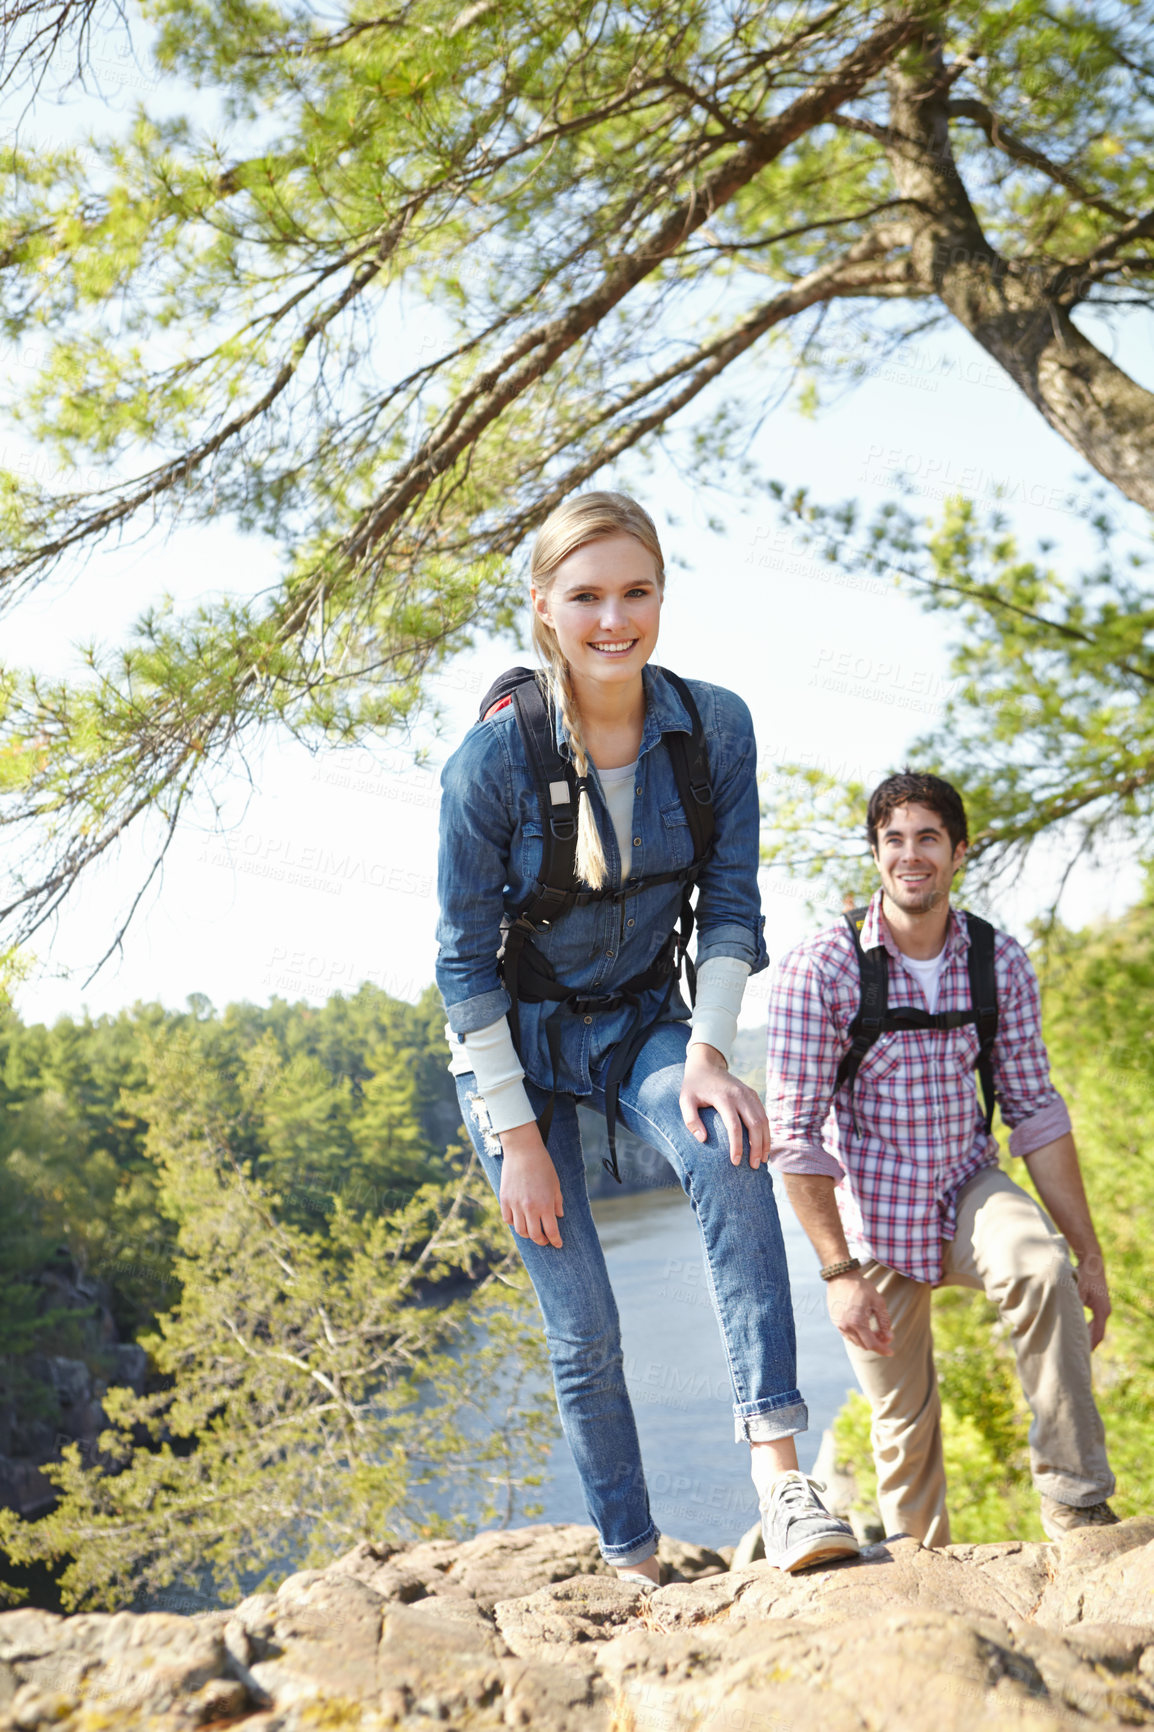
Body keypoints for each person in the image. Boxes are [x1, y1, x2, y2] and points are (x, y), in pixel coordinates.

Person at [435, 491, 859, 1578]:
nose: (612, 619)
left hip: (642, 1026)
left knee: (727, 1151)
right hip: (515, 1052)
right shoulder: (489, 764)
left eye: (635, 591)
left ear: (662, 595)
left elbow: (729, 908)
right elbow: (459, 962)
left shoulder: (714, 726)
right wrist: (517, 1136)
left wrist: (710, 1051)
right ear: (542, 607)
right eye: (585, 596)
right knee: (581, 1326)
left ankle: (781, 1474)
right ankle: (630, 1555)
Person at [765, 770, 1117, 1547]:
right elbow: (795, 1135)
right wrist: (838, 1274)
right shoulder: (822, 968)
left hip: (969, 1188)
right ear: (876, 855)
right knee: (902, 1429)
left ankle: (1076, 1500)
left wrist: (1088, 1254)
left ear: (960, 851)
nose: (911, 855)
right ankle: (929, 1580)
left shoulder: (999, 961)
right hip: (873, 1218)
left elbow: (1036, 1114)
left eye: (928, 838)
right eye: (894, 840)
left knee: (1037, 1264)